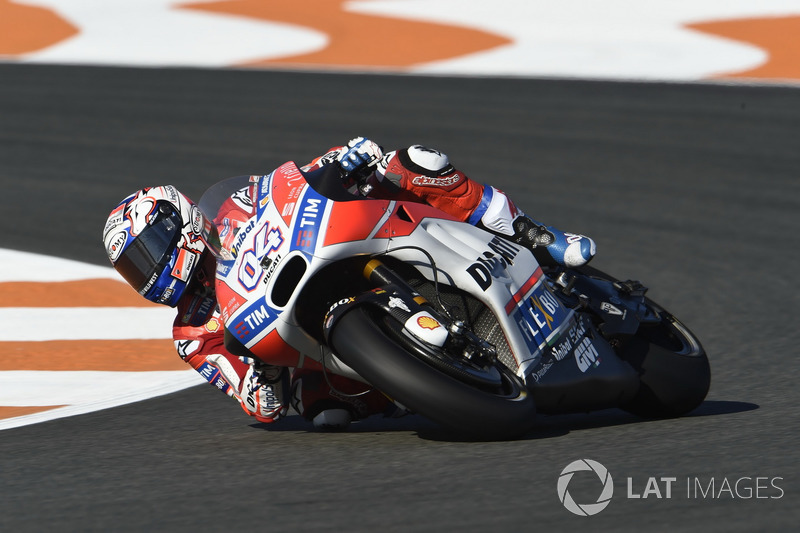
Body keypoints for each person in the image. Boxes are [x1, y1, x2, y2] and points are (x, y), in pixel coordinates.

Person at [101, 138, 596, 430]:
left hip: (328, 249)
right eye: (135, 269)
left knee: (411, 162)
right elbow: (261, 404)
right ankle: (429, 379)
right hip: (318, 350)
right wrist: (260, 370)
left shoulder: (232, 208)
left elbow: (288, 187)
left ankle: (536, 234)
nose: (150, 271)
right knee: (326, 414)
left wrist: (340, 158)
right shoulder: (192, 335)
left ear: (179, 220)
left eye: (149, 251)